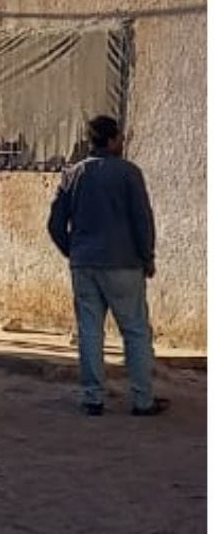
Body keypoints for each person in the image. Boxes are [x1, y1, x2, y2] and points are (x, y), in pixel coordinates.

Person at [48, 115, 164, 418]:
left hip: (84, 263)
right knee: (135, 331)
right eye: (120, 138)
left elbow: (55, 224)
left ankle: (92, 398)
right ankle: (142, 399)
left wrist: (73, 251)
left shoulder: (73, 174)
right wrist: (147, 256)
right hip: (124, 263)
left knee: (89, 331)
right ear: (112, 141)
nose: (122, 142)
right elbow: (142, 219)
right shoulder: (129, 173)